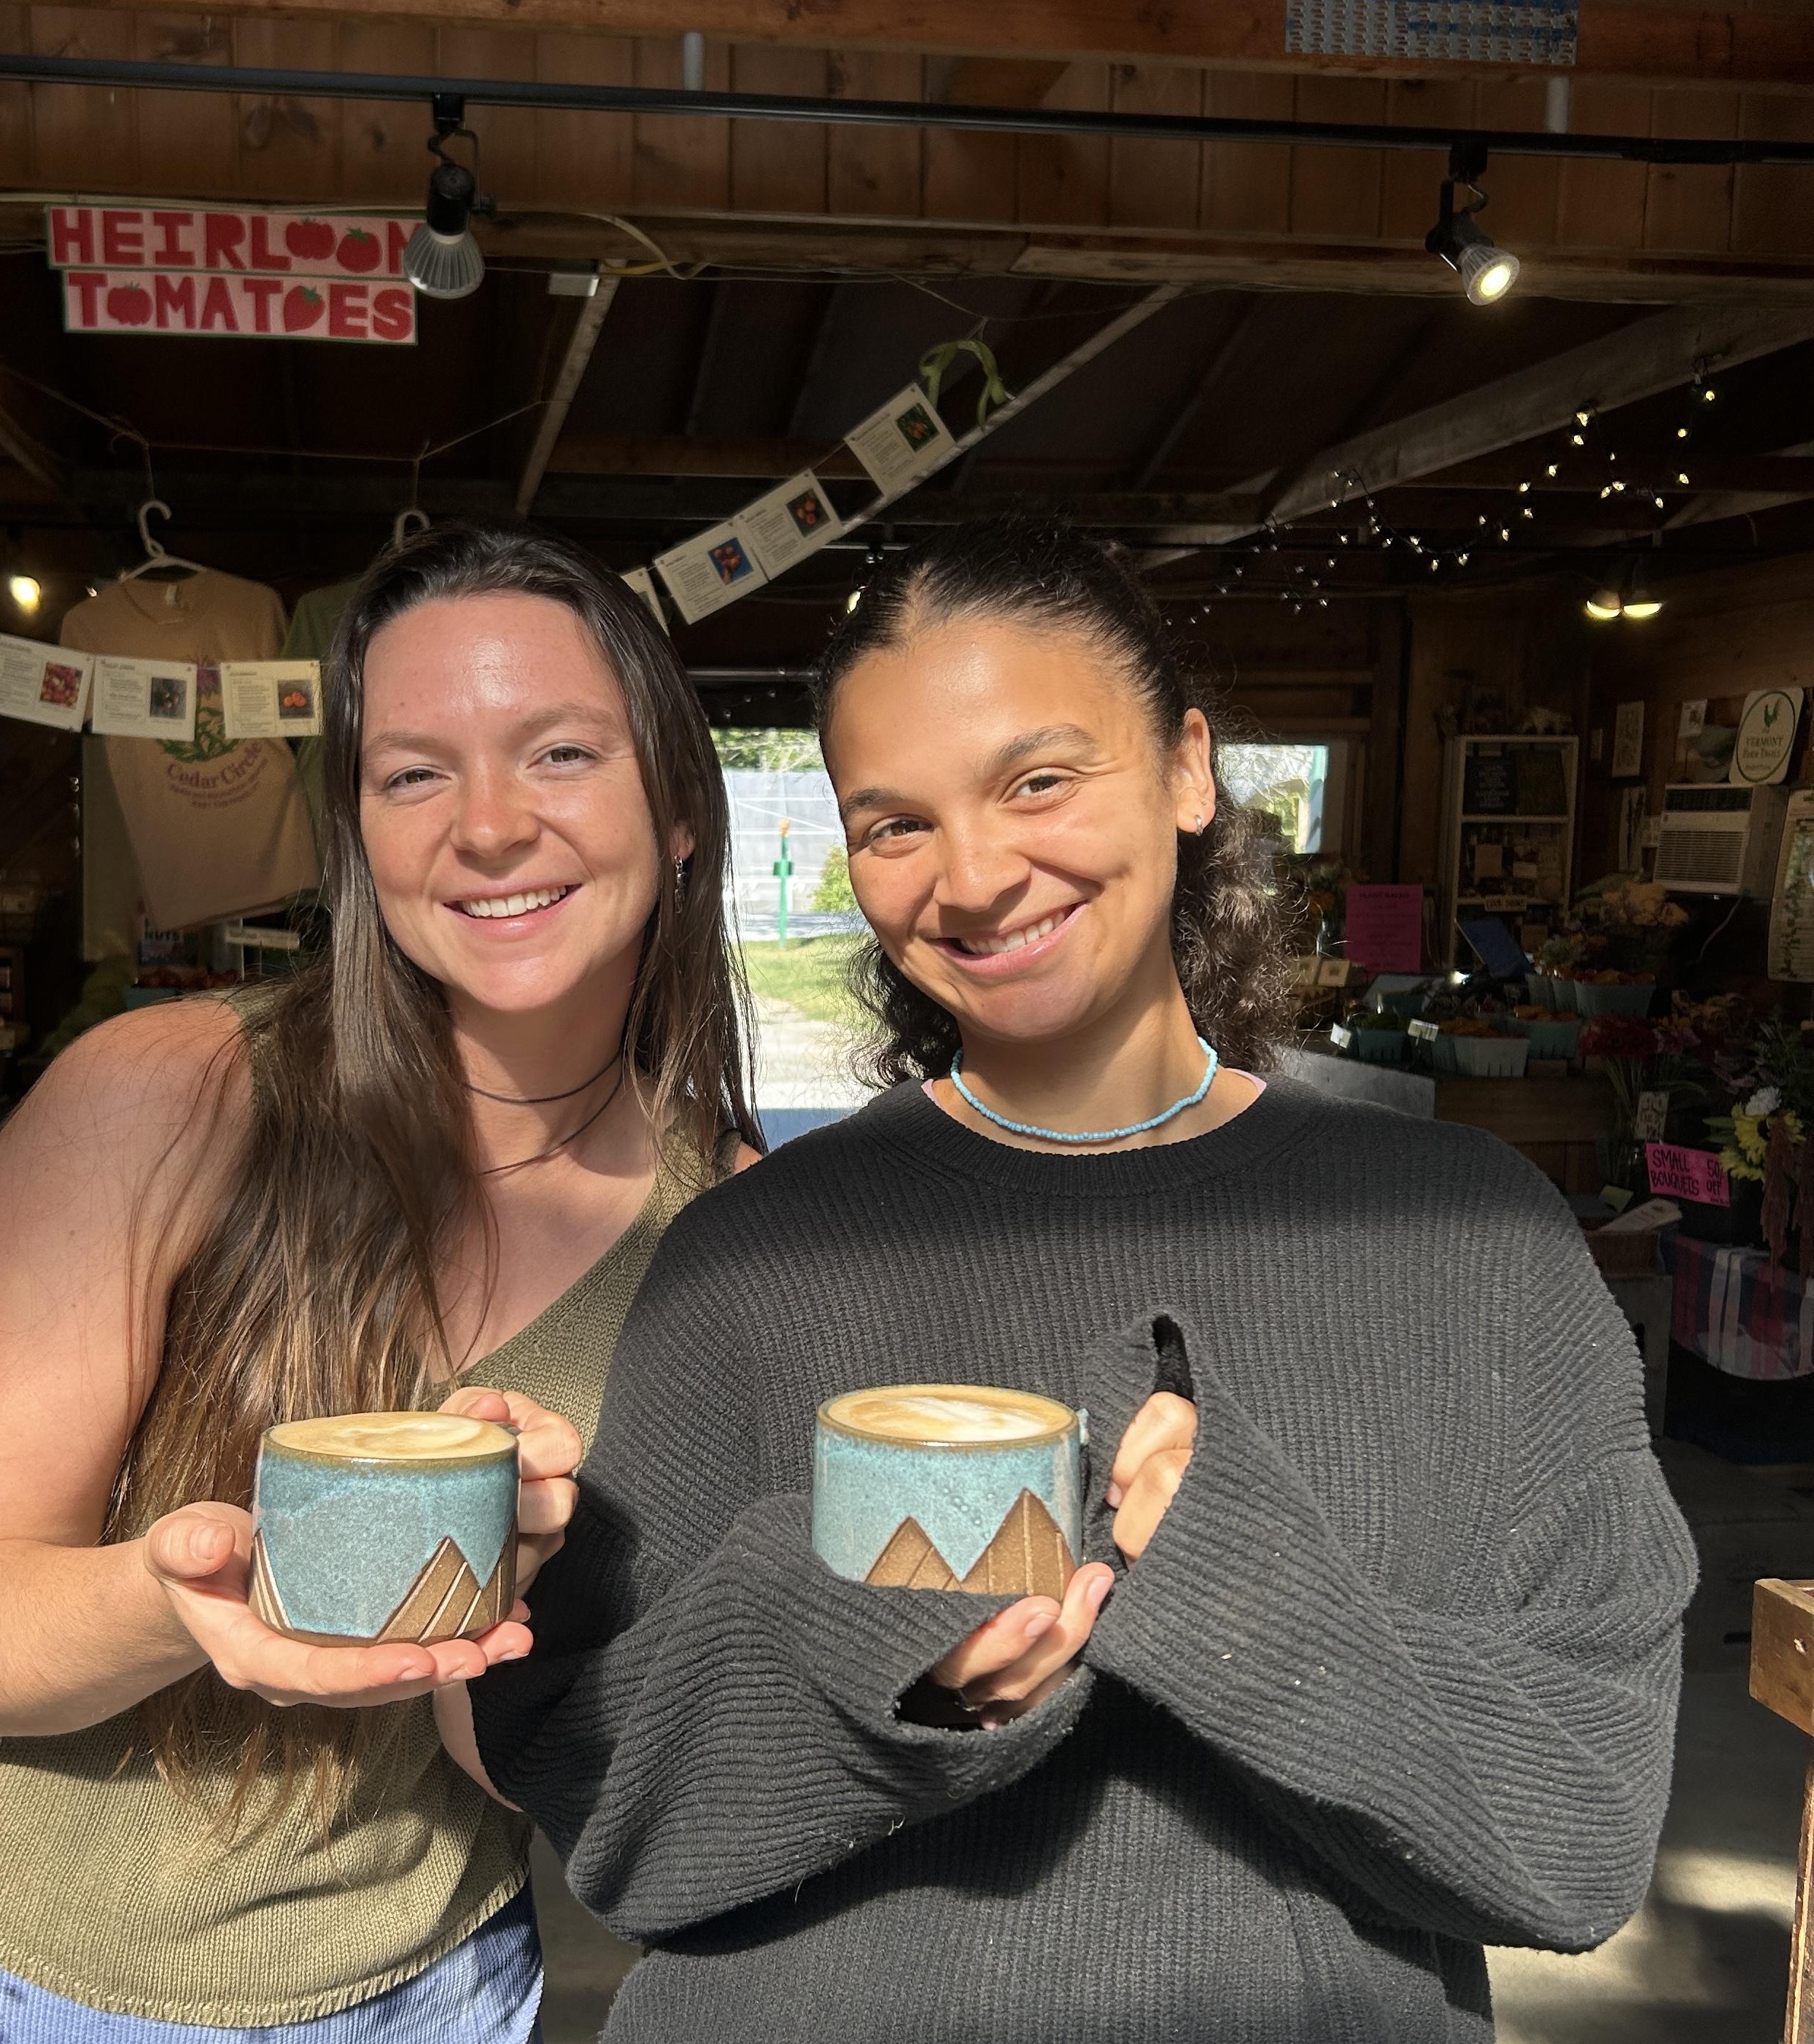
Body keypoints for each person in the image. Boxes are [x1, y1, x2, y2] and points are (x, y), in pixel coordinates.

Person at [470, 517, 1696, 2043]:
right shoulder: (759, 1258)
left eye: (1038, 780)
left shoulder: (1473, 1245)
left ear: (1189, 768)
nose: (975, 877)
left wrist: (1234, 1589)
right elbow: (604, 1807)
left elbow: (1574, 1834)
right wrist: (879, 1654)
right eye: (895, 823)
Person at [0, 519, 759, 2043]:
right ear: (360, 835)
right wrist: (177, 1601)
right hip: (12, 1982)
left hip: (437, 1987)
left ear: (677, 816)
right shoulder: (166, 1095)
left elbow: (539, 1737)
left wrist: (530, 1624)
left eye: (561, 754)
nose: (489, 826)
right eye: (414, 773)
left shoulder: (732, 1229)